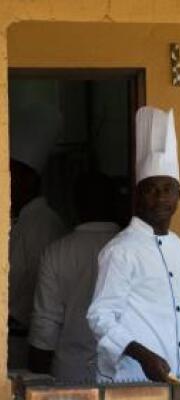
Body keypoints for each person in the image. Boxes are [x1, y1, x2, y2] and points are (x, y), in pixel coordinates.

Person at [87, 106, 180, 382]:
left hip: (174, 380)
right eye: (150, 189)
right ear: (138, 195)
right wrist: (142, 355)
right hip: (131, 379)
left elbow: (179, 312)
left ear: (179, 193)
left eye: (167, 189)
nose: (160, 198)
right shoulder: (121, 250)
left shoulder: (177, 246)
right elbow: (100, 316)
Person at [28, 173, 120, 381]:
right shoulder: (132, 249)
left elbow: (45, 324)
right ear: (115, 203)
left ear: (76, 205)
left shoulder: (57, 252)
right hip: (124, 376)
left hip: (70, 376)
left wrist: (37, 381)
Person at [8, 103, 66, 369]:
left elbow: (42, 296)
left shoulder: (45, 224)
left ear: (30, 180)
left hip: (25, 344)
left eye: (11, 174)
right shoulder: (20, 221)